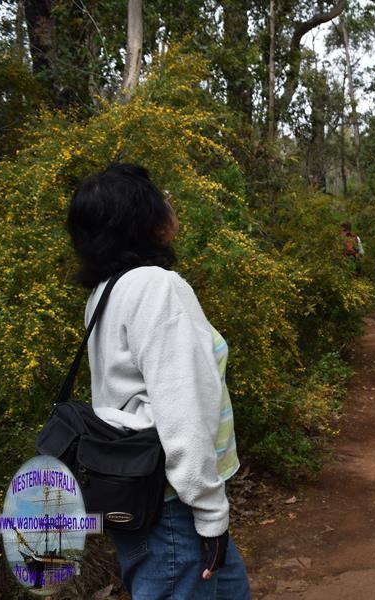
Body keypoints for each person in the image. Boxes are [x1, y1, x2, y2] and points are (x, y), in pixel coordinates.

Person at [66, 163, 251, 599]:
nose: (168, 201)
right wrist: (209, 512)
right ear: (140, 218)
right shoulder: (156, 287)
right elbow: (183, 408)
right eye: (158, 194)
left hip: (148, 499)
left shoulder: (107, 291)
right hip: (174, 510)